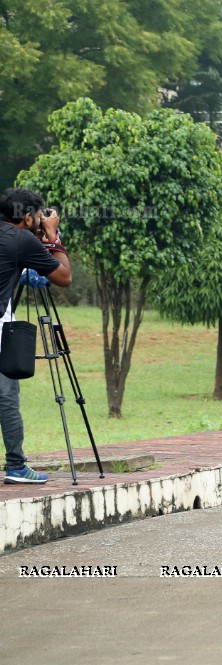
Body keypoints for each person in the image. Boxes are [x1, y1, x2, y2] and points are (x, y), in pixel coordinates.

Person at [0, 188, 73, 484]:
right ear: (28, 216)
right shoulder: (22, 239)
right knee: (6, 395)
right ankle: (16, 466)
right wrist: (53, 237)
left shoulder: (15, 239)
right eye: (38, 215)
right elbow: (64, 278)